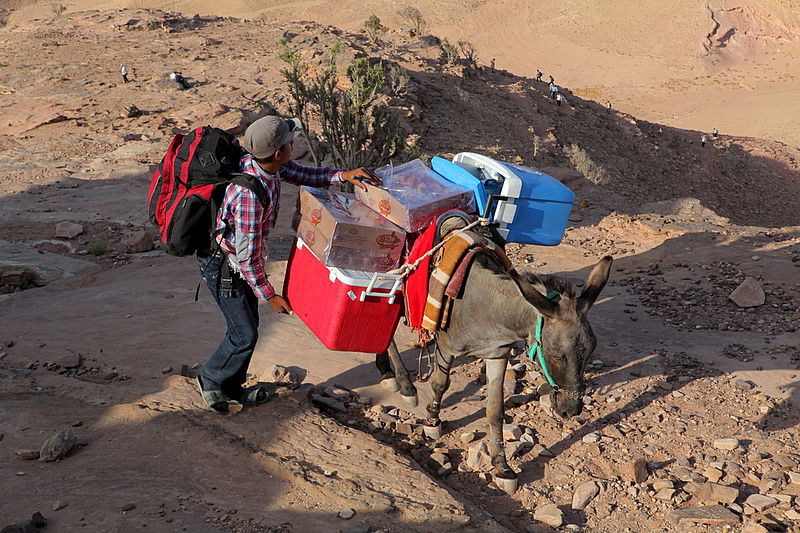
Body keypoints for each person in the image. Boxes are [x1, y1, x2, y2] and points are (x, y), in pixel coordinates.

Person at [194, 116, 380, 413]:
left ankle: (231, 386)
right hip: (225, 267)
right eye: (289, 143)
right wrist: (270, 295)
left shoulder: (267, 166)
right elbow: (247, 256)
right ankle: (210, 380)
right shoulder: (249, 196)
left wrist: (343, 175)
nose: (293, 146)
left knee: (247, 326)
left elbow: (306, 174)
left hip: (236, 262)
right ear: (279, 152)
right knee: (245, 333)